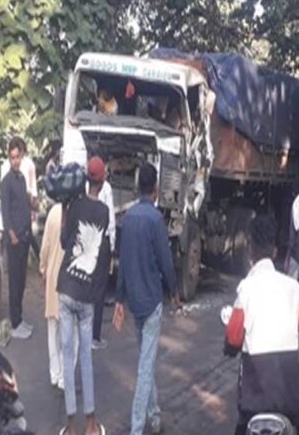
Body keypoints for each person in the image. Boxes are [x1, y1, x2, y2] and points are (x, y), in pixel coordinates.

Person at [225, 215, 299, 435]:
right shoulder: (292, 288)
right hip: (289, 400)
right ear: (274, 252)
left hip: (253, 401)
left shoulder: (246, 290)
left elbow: (233, 339)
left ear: (250, 251)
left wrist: (231, 348)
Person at [113, 163, 180, 435]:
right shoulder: (154, 219)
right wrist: (174, 291)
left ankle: (154, 415)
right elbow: (166, 261)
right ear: (155, 190)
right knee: (144, 367)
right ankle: (138, 428)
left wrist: (119, 298)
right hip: (151, 301)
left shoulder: (128, 218)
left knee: (146, 358)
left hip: (134, 301)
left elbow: (122, 261)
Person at [57, 157, 111, 435]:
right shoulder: (103, 212)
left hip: (66, 288)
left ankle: (70, 425)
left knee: (68, 356)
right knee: (86, 359)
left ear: (86, 179)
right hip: (87, 293)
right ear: (101, 182)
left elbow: (65, 242)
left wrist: (66, 210)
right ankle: (91, 424)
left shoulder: (74, 205)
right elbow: (103, 254)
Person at [1, 137, 34, 339]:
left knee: (22, 281)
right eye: (12, 157)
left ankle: (20, 319)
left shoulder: (21, 179)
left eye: (17, 157)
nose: (15, 160)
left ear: (21, 156)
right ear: (9, 158)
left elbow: (23, 207)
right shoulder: (6, 182)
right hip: (14, 240)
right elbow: (5, 212)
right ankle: (14, 323)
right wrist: (11, 234)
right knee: (14, 282)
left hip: (24, 236)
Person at [40, 202, 66, 389]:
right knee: (69, 332)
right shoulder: (77, 212)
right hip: (70, 281)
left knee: (53, 328)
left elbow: (45, 246)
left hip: (52, 277)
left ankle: (54, 373)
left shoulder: (54, 212)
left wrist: (43, 268)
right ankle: (65, 377)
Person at [92, 174, 116, 350]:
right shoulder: (106, 188)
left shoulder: (85, 187)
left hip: (87, 240)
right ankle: (95, 336)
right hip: (103, 241)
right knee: (100, 289)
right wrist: (112, 245)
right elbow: (111, 220)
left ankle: (85, 333)